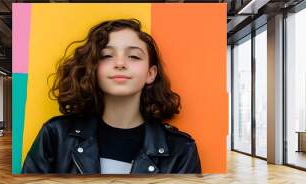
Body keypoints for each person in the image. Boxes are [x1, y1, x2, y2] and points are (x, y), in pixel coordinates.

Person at [22, 18, 201, 174]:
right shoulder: (55, 135)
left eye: (134, 56)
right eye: (106, 55)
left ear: (151, 73)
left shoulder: (181, 150)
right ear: (93, 68)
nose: (120, 63)